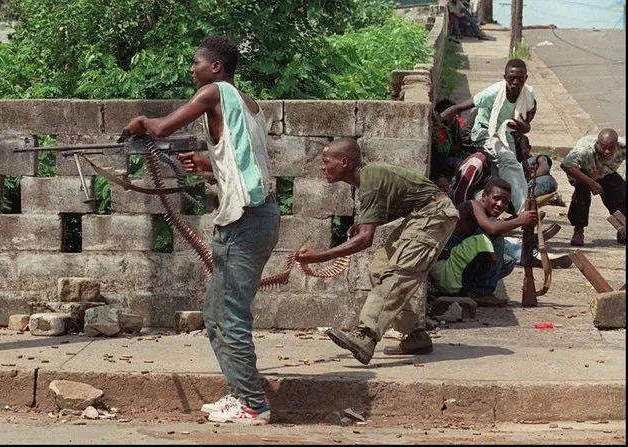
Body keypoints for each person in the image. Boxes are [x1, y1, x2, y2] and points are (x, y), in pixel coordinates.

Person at [122, 35, 280, 425]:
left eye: (196, 62)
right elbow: (244, 161)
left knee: (230, 316)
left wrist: (143, 122)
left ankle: (253, 405)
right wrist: (208, 165)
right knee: (215, 312)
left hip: (245, 220)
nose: (191, 69)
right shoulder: (246, 102)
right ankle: (240, 394)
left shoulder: (213, 92)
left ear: (214, 67)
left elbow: (159, 128)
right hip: (258, 216)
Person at [295, 138, 459, 364]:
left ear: (344, 162)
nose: (322, 167)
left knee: (398, 274)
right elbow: (380, 216)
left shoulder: (369, 181)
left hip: (433, 215)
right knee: (379, 270)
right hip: (420, 215)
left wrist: (320, 256)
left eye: (326, 161)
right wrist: (362, 225)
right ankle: (415, 336)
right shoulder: (368, 180)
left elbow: (364, 240)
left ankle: (366, 336)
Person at [439, 59, 535, 216]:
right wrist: (437, 118)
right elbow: (459, 107)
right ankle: (524, 210)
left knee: (499, 180)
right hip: (484, 133)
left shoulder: (528, 94)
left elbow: (527, 124)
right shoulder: (492, 93)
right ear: (505, 77)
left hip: (505, 135)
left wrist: (522, 126)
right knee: (509, 161)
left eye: (520, 78)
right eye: (511, 78)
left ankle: (486, 214)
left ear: (526, 78)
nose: (515, 82)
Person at [428, 178, 536, 307]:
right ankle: (482, 293)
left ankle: (469, 290)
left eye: (505, 202)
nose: (500, 204)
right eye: (496, 198)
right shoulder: (472, 205)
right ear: (484, 196)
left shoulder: (485, 214)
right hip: (443, 270)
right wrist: (520, 221)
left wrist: (522, 218)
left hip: (453, 271)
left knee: (507, 262)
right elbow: (492, 228)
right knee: (495, 237)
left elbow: (496, 225)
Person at [560, 128, 626, 246]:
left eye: (611, 148)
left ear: (616, 145)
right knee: (582, 195)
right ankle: (579, 230)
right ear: (598, 144)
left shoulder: (623, 146)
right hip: (583, 171)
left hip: (605, 171)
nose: (607, 151)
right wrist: (591, 183)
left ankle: (622, 228)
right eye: (603, 147)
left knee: (621, 192)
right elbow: (566, 165)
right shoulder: (584, 150)